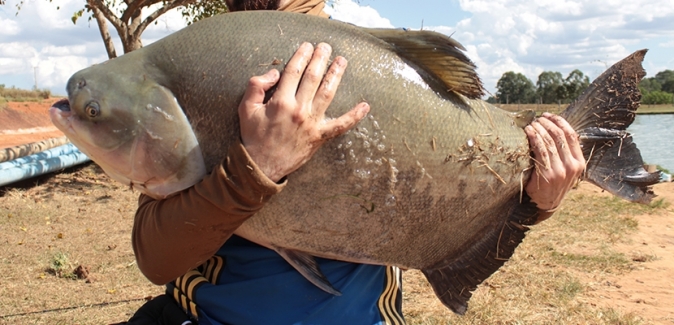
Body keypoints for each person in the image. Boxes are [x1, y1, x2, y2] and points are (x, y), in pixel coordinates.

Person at [118, 1, 585, 324]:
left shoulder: (360, 54)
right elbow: (155, 256)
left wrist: (534, 201)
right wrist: (255, 166)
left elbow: (461, 182)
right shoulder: (198, 61)